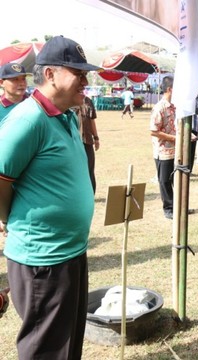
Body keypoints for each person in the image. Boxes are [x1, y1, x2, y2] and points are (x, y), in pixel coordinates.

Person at [0, 35, 99, 359]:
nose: (86, 80)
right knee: (44, 351)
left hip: (70, 254)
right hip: (42, 261)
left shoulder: (69, 114)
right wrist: (8, 218)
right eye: (78, 73)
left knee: (67, 347)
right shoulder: (27, 119)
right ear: (50, 74)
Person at [150, 76, 176, 220]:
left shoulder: (175, 106)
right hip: (163, 152)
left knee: (177, 180)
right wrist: (174, 138)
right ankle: (169, 208)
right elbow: (154, 131)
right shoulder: (159, 108)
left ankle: (179, 206)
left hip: (176, 151)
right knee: (164, 181)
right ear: (169, 89)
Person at [77, 95, 100, 193]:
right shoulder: (67, 100)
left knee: (90, 169)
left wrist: (96, 137)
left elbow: (91, 120)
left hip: (87, 141)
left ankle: (91, 193)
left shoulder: (88, 101)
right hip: (73, 142)